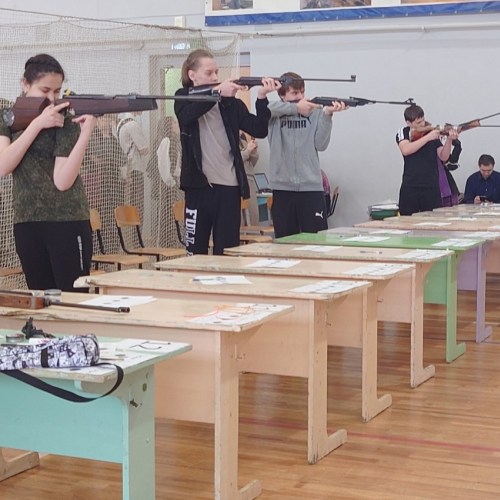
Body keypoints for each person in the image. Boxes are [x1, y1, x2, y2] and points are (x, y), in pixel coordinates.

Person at [0, 53, 97, 291]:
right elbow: (3, 166)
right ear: (25, 84)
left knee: (73, 299)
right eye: (44, 90)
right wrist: (37, 125)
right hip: (26, 221)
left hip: (67, 219)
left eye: (57, 91)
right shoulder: (9, 118)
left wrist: (85, 134)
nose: (52, 98)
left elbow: (62, 181)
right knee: (41, 299)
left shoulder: (65, 120)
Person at [174, 48, 279, 255]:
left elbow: (259, 129)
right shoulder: (183, 97)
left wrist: (261, 98)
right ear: (192, 75)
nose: (215, 77)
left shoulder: (232, 104)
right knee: (195, 252)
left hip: (229, 189)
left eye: (216, 72)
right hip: (198, 188)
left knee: (227, 253)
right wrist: (216, 93)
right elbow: (186, 116)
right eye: (209, 73)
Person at [267, 71, 347, 238]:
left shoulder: (314, 112)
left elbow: (321, 144)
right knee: (284, 243)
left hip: (311, 188)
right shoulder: (274, 113)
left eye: (302, 92)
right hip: (282, 189)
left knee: (317, 241)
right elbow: (268, 108)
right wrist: (296, 108)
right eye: (295, 93)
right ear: (282, 95)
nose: (301, 96)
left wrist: (327, 115)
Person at [396, 105, 458, 215]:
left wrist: (449, 139)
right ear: (408, 123)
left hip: (431, 186)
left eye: (423, 120)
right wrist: (428, 137)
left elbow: (443, 156)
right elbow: (406, 150)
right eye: (418, 123)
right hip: (411, 186)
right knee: (407, 220)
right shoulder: (404, 132)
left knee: (433, 219)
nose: (422, 124)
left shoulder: (431, 132)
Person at [240, 131, 260, 225]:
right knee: (242, 218)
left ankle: (254, 232)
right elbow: (235, 160)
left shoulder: (243, 140)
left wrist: (254, 150)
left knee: (253, 214)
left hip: (250, 177)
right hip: (240, 178)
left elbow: (252, 163)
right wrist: (247, 150)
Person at [439, 138, 462, 207]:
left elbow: (451, 164)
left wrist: (457, 146)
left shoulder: (440, 147)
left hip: (447, 184)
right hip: (431, 183)